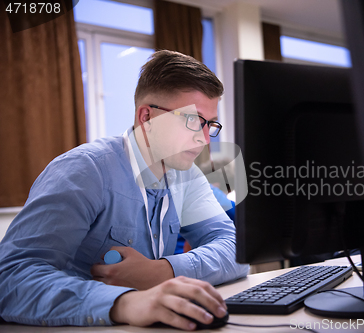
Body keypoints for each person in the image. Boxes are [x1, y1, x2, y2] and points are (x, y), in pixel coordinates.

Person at [0, 50, 249, 330]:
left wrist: (161, 272)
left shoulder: (186, 176)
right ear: (146, 117)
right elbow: (9, 278)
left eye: (210, 124)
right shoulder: (84, 171)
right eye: (193, 121)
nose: (204, 139)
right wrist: (125, 302)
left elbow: (237, 251)